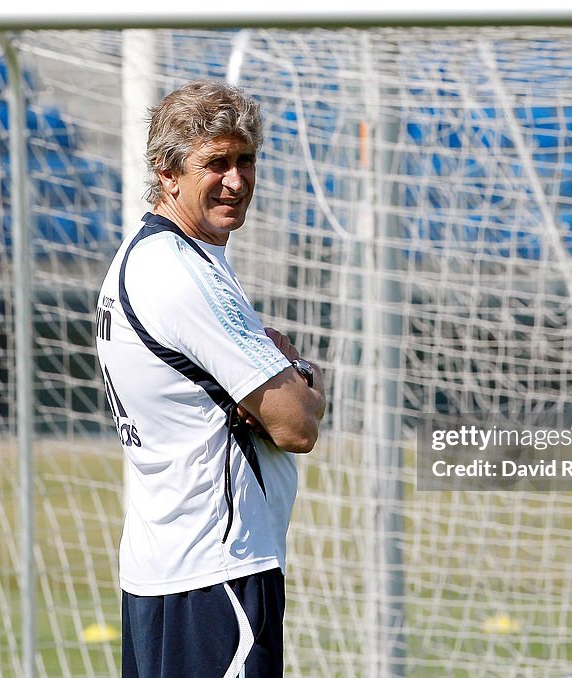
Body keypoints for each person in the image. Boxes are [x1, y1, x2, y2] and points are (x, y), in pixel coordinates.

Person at [95, 80, 326, 678]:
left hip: (173, 567)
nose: (236, 179)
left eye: (245, 159)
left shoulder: (158, 258)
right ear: (166, 172)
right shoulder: (178, 274)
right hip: (215, 573)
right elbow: (296, 424)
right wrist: (298, 373)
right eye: (215, 163)